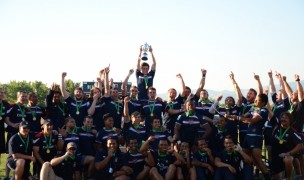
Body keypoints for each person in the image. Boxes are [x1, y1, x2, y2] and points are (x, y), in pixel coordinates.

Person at [271, 112, 303, 180]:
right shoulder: (276, 127)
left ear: (290, 121)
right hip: (275, 156)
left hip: (286, 155)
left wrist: (288, 153)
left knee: (288, 159)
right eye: (282, 117)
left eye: (286, 118)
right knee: (276, 178)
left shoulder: (292, 131)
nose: (283, 119)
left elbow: (300, 145)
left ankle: (288, 178)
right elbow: (270, 113)